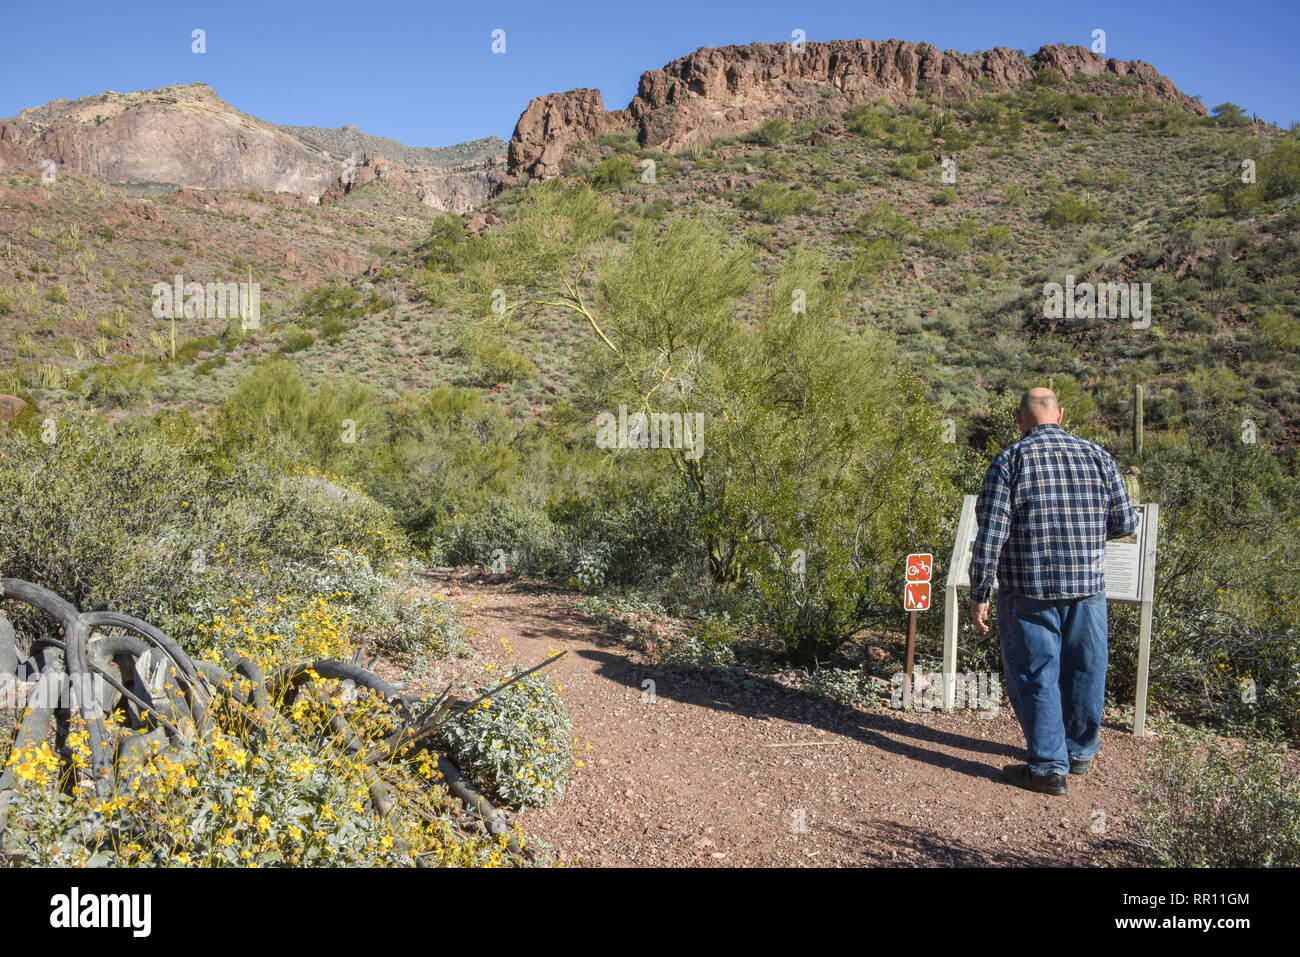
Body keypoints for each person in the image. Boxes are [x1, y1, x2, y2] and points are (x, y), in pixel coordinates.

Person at [968, 387, 1137, 795]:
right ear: (1059, 415)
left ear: (1018, 418)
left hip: (1029, 589)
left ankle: (1047, 769)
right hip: (1087, 590)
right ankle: (1078, 754)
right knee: (1085, 670)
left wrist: (980, 590)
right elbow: (1126, 522)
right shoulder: (1098, 456)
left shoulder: (1010, 460)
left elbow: (991, 534)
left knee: (1035, 675)